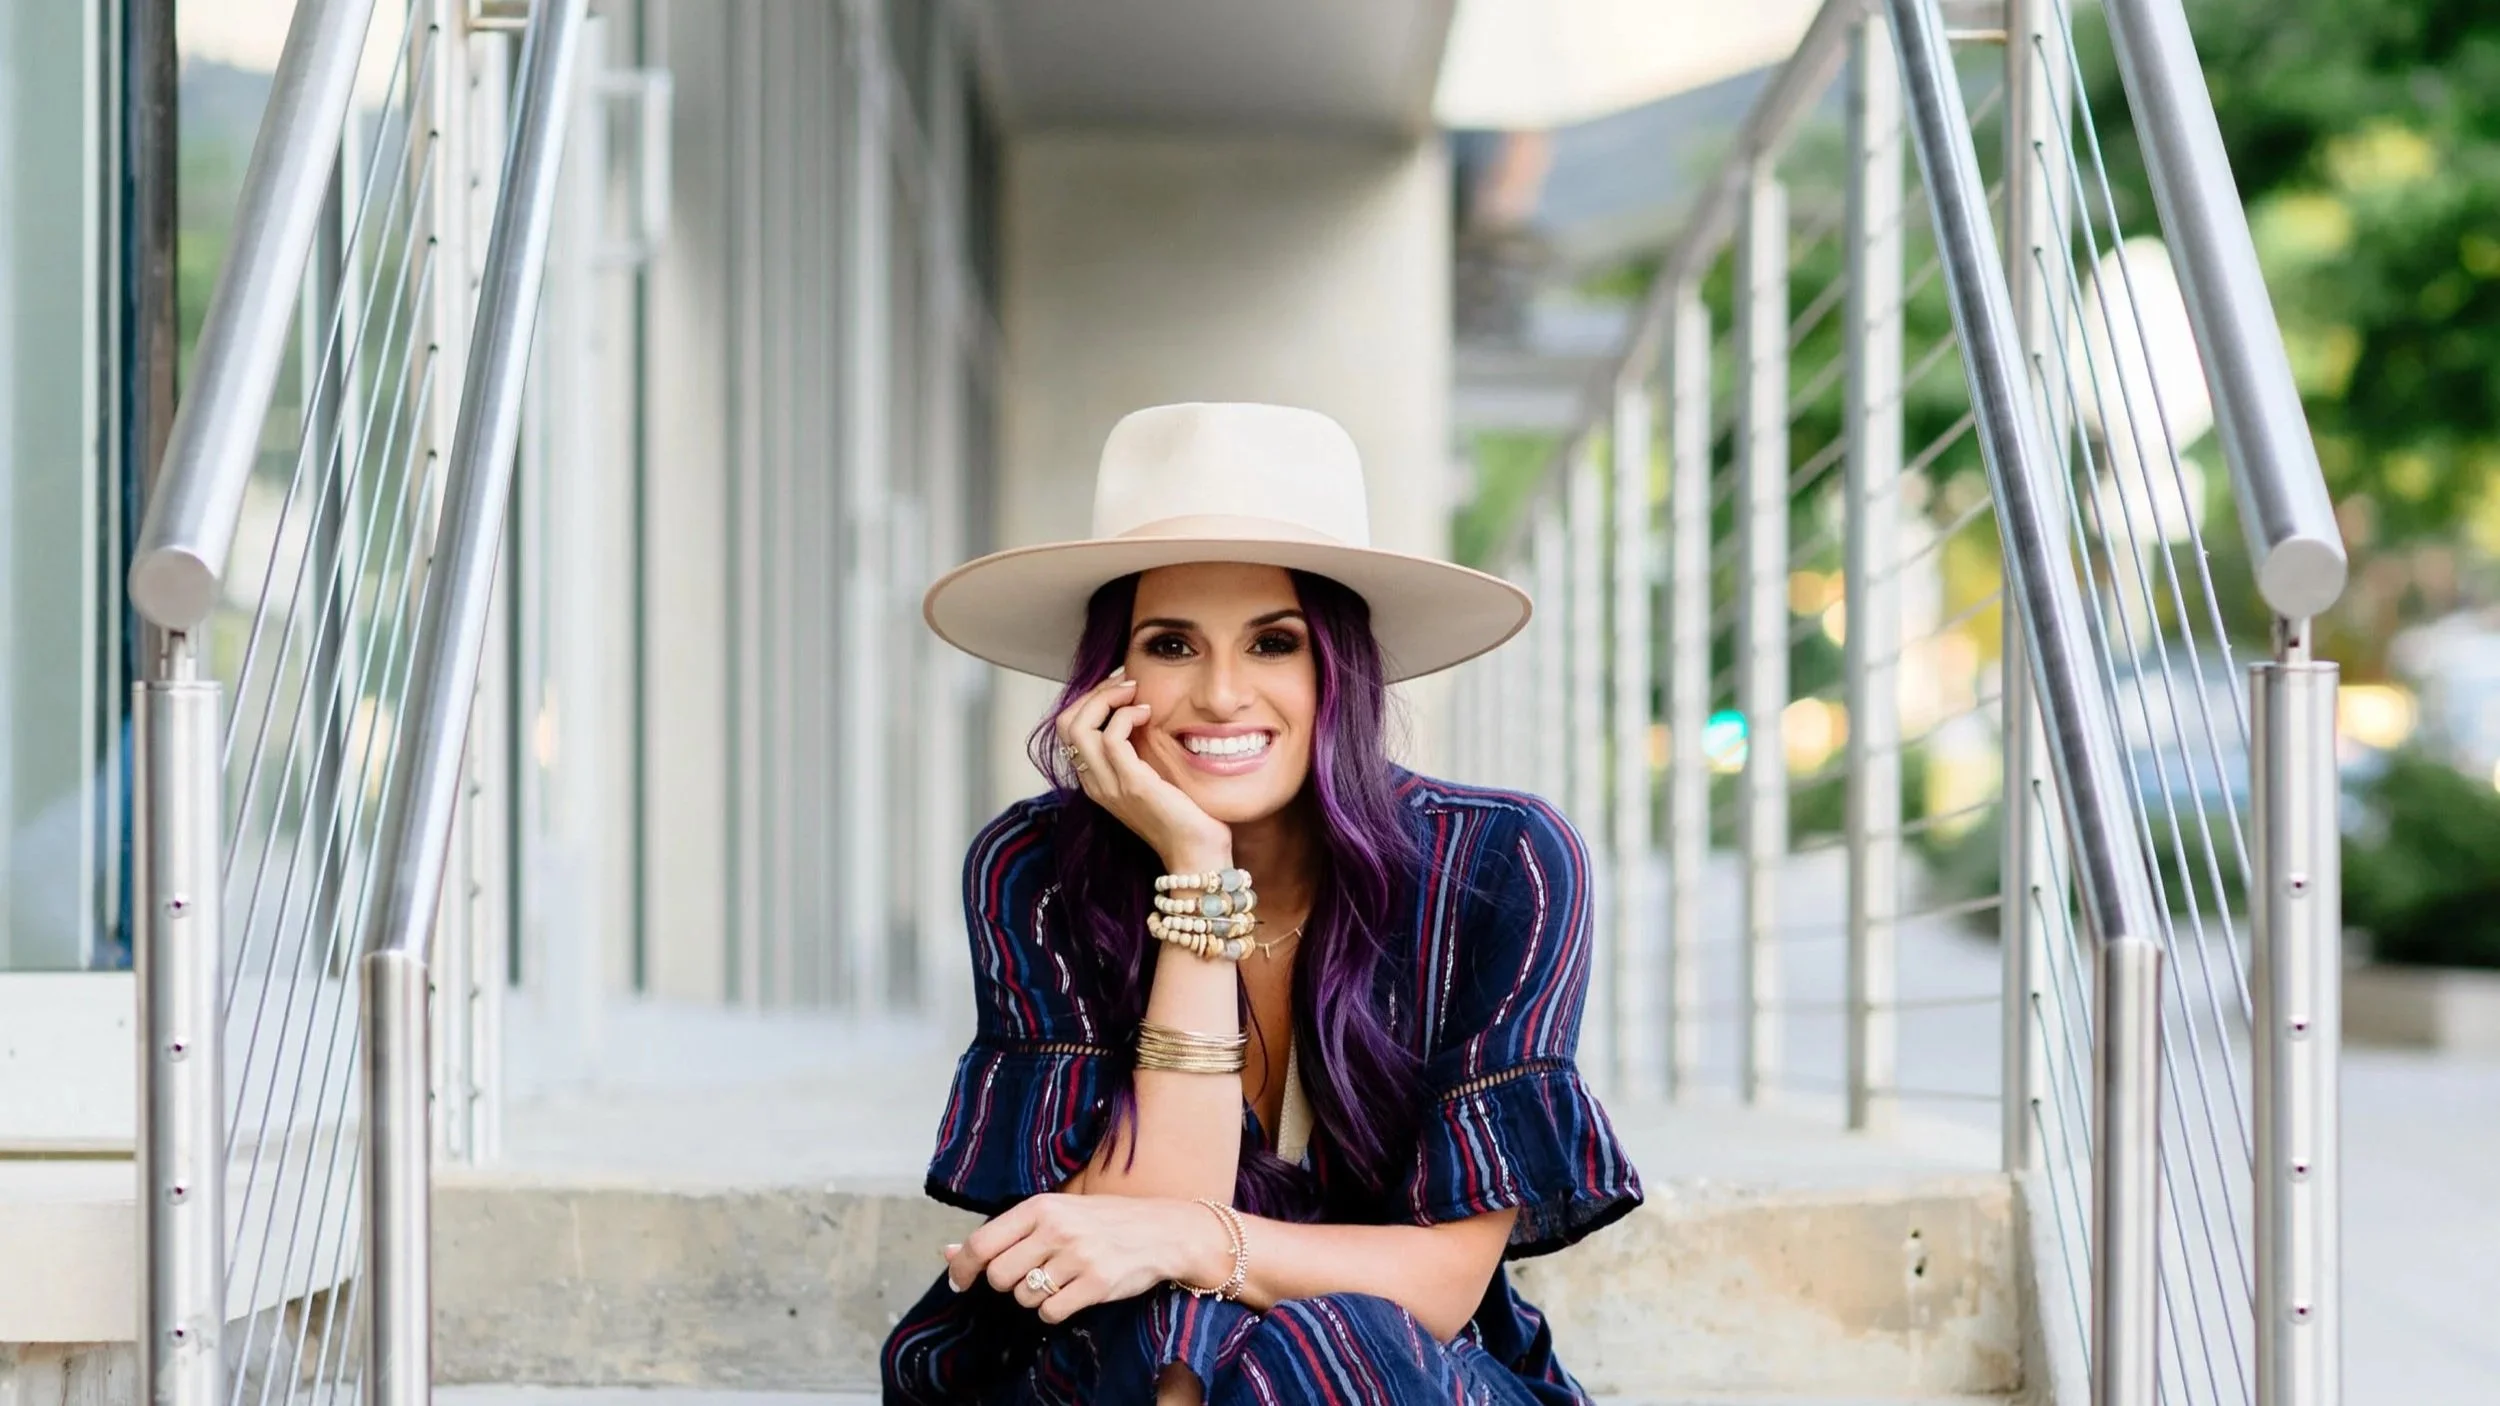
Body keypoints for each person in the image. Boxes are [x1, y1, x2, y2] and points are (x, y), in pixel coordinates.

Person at [882, 402, 1642, 1405]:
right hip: (1111, 1361)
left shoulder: (1502, 864)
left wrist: (1201, 1238)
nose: (1221, 694)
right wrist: (1198, 870)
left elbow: (1441, 1284)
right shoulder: (1034, 868)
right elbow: (1107, 1256)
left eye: (1274, 642)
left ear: (1338, 666)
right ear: (1112, 676)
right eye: (1172, 645)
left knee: (1337, 1335)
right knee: (1166, 1326)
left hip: (1394, 1373)